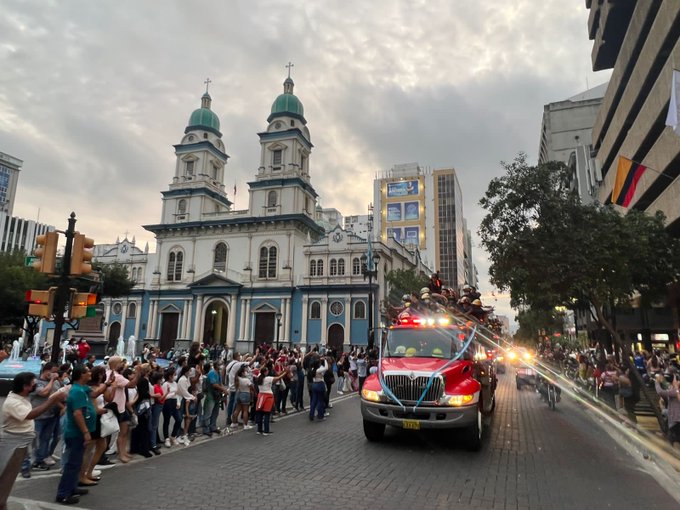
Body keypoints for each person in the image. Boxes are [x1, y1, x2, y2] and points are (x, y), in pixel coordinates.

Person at [1, 372, 65, 479]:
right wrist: (52, 400)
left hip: (24, 435)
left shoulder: (23, 397)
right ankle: (24, 468)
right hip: (15, 438)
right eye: (33, 384)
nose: (36, 385)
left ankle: (34, 462)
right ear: (25, 386)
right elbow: (30, 415)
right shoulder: (13, 402)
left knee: (31, 449)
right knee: (7, 474)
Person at [56, 365, 96, 505]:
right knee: (72, 464)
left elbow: (93, 394)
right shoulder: (77, 391)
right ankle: (63, 494)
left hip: (78, 432)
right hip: (76, 433)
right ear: (81, 375)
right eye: (87, 371)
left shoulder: (81, 390)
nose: (90, 373)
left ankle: (72, 487)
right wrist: (85, 432)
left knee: (77, 462)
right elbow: (77, 413)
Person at [105, 356, 140, 463]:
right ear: (115, 365)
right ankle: (121, 454)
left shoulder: (108, 373)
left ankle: (123, 452)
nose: (123, 364)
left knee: (123, 431)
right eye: (121, 363)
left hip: (119, 407)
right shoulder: (117, 376)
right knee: (121, 432)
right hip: (117, 408)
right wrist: (138, 373)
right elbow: (131, 384)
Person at [30, 362, 62, 471]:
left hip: (51, 415)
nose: (55, 374)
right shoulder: (36, 382)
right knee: (35, 439)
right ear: (45, 370)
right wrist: (52, 380)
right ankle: (30, 461)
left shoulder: (56, 383)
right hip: (38, 416)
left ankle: (40, 459)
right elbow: (44, 393)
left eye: (56, 372)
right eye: (52, 372)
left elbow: (59, 395)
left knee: (46, 439)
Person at [254, 366, 287, 435]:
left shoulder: (259, 378)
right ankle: (266, 430)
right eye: (267, 370)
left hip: (260, 396)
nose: (268, 371)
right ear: (265, 372)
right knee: (267, 413)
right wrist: (285, 372)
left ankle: (259, 430)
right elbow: (278, 378)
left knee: (260, 413)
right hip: (268, 396)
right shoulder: (268, 378)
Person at [202, 361, 227, 436]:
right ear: (216, 366)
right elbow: (214, 384)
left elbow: (220, 383)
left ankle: (213, 427)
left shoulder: (218, 373)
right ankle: (206, 429)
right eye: (220, 364)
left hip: (216, 395)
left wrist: (223, 389)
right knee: (208, 413)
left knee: (215, 412)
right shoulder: (212, 373)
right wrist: (223, 389)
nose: (221, 366)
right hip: (211, 395)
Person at [655, 373, 680, 447]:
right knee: (672, 437)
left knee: (671, 438)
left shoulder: (676, 391)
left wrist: (657, 382)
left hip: (677, 419)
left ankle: (670, 453)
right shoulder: (673, 389)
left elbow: (660, 392)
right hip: (673, 417)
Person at [231, 364, 253, 431]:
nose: (246, 372)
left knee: (237, 409)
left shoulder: (237, 379)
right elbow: (252, 387)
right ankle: (245, 425)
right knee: (245, 410)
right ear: (242, 373)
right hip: (246, 394)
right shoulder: (246, 380)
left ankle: (234, 423)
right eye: (245, 371)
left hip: (239, 394)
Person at [308, 357, 329, 421]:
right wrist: (325, 360)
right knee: (320, 401)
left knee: (314, 401)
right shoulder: (318, 370)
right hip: (320, 385)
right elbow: (326, 368)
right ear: (318, 364)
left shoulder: (313, 369)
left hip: (314, 385)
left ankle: (311, 415)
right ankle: (320, 416)